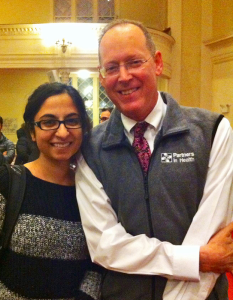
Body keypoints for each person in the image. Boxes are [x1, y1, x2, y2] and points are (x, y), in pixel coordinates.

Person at [75, 19, 233, 300]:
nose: (123, 76)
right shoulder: (90, 149)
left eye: (134, 62)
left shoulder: (213, 131)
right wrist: (194, 260)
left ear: (158, 63)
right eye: (112, 67)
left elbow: (214, 233)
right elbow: (105, 246)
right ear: (101, 77)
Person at [0, 82, 102, 299]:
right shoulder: (9, 182)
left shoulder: (94, 189)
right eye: (49, 122)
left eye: (72, 121)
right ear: (32, 132)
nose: (62, 132)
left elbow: (100, 259)